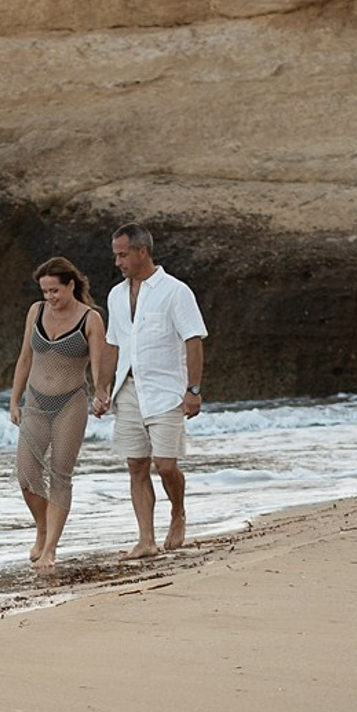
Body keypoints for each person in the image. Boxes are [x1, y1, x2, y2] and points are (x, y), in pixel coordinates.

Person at [103, 222, 207, 556]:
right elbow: (112, 344)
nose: (118, 262)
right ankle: (146, 540)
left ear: (142, 251)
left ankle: (177, 512)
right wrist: (102, 388)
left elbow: (193, 340)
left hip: (166, 391)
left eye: (123, 255)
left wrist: (193, 389)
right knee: (136, 464)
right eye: (116, 255)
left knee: (164, 465)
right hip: (128, 390)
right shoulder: (116, 295)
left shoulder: (175, 291)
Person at [5, 257, 111, 573]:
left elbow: (98, 366)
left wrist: (101, 394)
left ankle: (50, 548)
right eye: (45, 291)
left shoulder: (90, 319)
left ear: (70, 285)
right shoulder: (36, 311)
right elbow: (25, 358)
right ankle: (43, 527)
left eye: (55, 290)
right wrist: (14, 401)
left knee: (60, 474)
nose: (49, 297)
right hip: (36, 402)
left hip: (70, 403)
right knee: (26, 474)